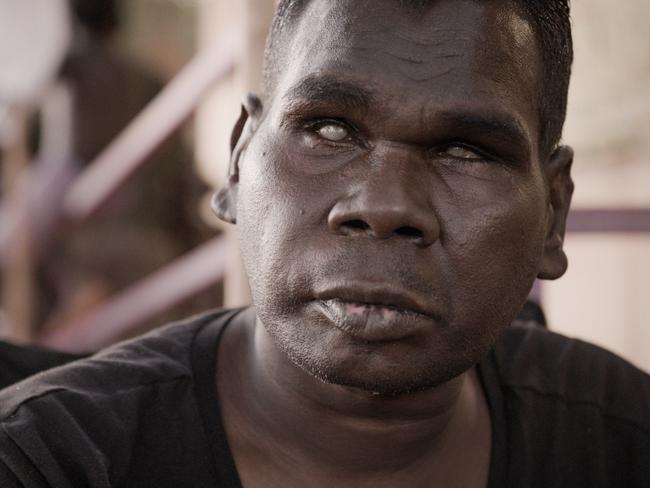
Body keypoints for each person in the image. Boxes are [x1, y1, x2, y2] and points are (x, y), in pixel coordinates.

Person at [0, 0, 648, 486]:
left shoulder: (622, 439)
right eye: (330, 129)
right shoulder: (47, 461)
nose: (386, 206)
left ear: (554, 213)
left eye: (465, 150)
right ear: (237, 163)